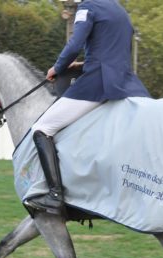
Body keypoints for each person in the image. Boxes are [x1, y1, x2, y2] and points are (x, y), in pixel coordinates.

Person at [24, 0, 151, 215]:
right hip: (127, 81)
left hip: (98, 82)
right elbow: (113, 52)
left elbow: (74, 45)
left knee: (42, 128)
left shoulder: (87, 8)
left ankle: (54, 195)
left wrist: (58, 67)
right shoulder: (119, 9)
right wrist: (83, 65)